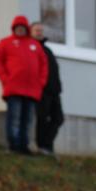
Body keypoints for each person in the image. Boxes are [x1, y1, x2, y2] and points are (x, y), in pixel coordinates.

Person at [0, 15, 47, 154]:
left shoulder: (35, 45)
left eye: (22, 28)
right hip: (14, 88)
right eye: (18, 28)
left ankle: (24, 146)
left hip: (32, 90)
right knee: (14, 118)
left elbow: (44, 65)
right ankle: (14, 145)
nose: (20, 30)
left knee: (27, 120)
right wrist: (5, 78)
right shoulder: (5, 43)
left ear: (26, 28)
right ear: (14, 28)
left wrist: (40, 83)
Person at [30, 22, 63, 156]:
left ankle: (47, 145)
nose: (39, 32)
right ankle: (43, 147)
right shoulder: (31, 48)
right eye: (36, 30)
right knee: (42, 119)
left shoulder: (47, 50)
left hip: (54, 90)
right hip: (41, 90)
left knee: (58, 118)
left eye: (41, 30)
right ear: (31, 32)